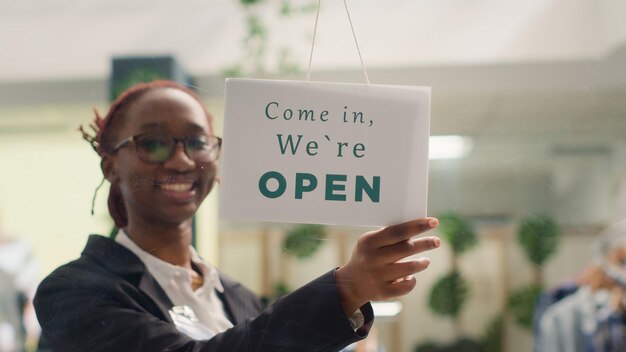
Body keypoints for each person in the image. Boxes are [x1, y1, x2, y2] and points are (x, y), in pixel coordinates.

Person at [33, 80, 441, 351]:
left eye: (197, 141)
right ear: (111, 167)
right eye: (153, 143)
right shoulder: (74, 292)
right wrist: (346, 287)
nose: (180, 160)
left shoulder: (238, 298)